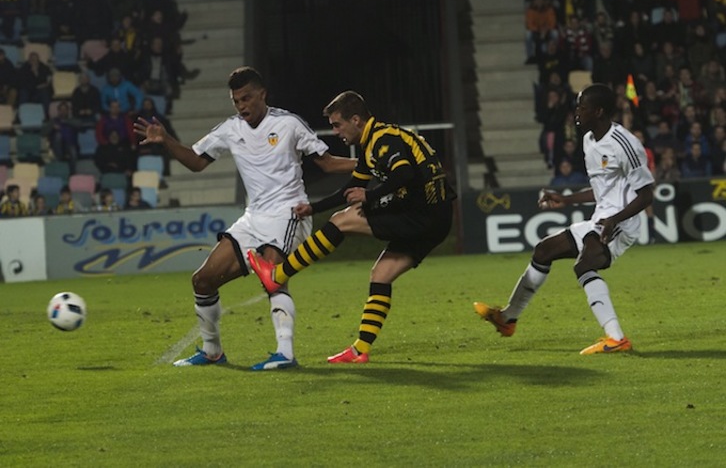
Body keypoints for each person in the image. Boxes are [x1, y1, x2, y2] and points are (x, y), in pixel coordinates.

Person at [133, 66, 356, 370]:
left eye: (247, 98)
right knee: (202, 280)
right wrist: (167, 140)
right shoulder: (230, 129)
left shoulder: (289, 124)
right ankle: (212, 351)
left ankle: (285, 354)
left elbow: (328, 164)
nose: (242, 106)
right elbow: (197, 163)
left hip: (289, 213)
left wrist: (368, 163)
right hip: (253, 218)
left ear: (262, 95)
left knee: (273, 275)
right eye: (236, 101)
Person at [247, 90, 456, 364]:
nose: (335, 132)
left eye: (337, 125)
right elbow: (350, 188)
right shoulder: (372, 145)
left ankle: (278, 275)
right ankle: (360, 350)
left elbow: (403, 173)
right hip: (436, 218)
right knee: (381, 274)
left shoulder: (383, 139)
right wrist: (314, 208)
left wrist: (370, 196)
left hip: (421, 213)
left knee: (343, 220)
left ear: (356, 119)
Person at [473, 84, 654, 355]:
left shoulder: (624, 144)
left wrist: (615, 219)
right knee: (544, 250)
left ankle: (616, 339)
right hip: (601, 219)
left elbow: (646, 195)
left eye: (582, 107)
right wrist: (567, 200)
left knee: (584, 266)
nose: (576, 113)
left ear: (599, 111)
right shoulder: (590, 140)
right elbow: (602, 188)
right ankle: (507, 318)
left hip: (621, 223)